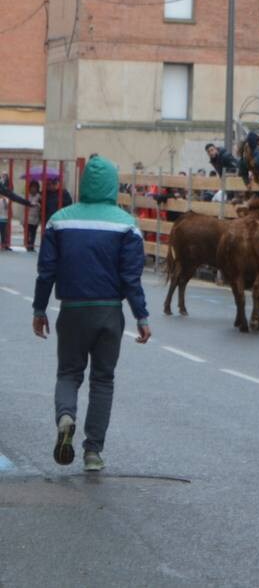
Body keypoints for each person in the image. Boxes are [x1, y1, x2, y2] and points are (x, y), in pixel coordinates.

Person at [31, 155, 151, 472]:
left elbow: (46, 272)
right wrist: (141, 316)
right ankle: (93, 451)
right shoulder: (127, 224)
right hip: (110, 313)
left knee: (69, 374)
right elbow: (131, 278)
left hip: (71, 310)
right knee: (102, 380)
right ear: (113, 184)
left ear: (84, 184)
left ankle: (66, 416)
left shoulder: (59, 220)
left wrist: (39, 308)